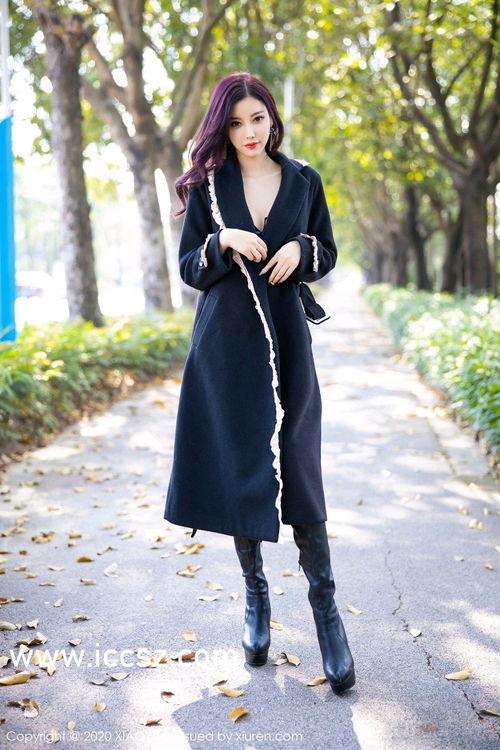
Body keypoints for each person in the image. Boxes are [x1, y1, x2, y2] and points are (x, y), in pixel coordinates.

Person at [163, 72, 355, 695]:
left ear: (272, 119)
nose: (248, 132)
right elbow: (189, 268)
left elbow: (328, 251)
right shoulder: (207, 186)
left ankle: (326, 613)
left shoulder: (303, 179)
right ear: (222, 127)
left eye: (257, 119)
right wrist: (220, 240)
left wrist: (302, 249)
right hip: (226, 347)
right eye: (236, 122)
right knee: (245, 463)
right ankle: (255, 597)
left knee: (299, 463)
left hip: (288, 344)